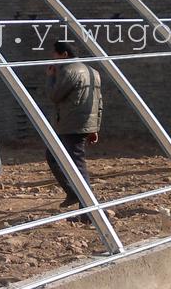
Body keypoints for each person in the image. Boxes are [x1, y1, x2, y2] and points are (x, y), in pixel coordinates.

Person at [44, 40, 103, 214]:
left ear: (64, 54)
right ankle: (75, 195)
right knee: (56, 157)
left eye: (55, 54)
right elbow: (99, 102)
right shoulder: (93, 72)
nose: (53, 58)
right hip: (82, 124)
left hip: (71, 124)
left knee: (76, 165)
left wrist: (51, 77)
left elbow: (54, 95)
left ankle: (87, 210)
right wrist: (95, 127)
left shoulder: (68, 71)